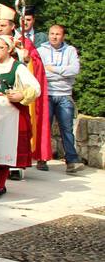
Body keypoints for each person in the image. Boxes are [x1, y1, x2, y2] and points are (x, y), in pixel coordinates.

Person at [0, 4, 50, 177]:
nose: (0, 29)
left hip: (16, 100)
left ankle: (15, 168)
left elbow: (36, 68)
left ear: (12, 26)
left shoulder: (25, 43)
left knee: (14, 136)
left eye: (3, 25)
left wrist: (27, 58)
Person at [0, 35, 40, 197]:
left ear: (9, 49)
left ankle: (1, 185)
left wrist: (21, 94)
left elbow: (35, 87)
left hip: (11, 113)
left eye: (1, 47)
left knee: (6, 148)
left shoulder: (18, 67)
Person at [39, 25, 83, 174]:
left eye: (58, 34)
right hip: (47, 94)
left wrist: (52, 69)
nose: (54, 37)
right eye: (52, 34)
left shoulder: (70, 50)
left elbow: (74, 70)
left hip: (64, 95)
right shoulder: (41, 50)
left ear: (63, 36)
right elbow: (40, 72)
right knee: (45, 127)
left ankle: (72, 161)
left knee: (67, 129)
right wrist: (63, 72)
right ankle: (42, 159)